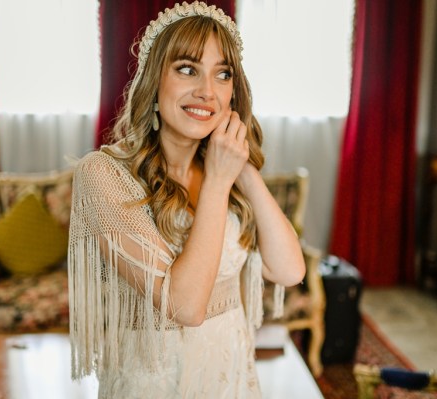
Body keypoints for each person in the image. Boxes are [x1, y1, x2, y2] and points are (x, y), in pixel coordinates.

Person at [68, 2, 306, 397]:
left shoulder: (226, 169)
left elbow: (289, 271)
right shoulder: (104, 175)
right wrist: (217, 180)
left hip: (228, 375)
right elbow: (187, 307)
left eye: (222, 74)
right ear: (154, 84)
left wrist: (242, 169)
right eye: (187, 69)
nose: (207, 91)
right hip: (155, 381)